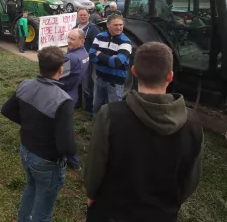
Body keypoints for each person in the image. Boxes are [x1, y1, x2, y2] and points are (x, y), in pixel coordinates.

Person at [84, 42, 203, 222]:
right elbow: (191, 179)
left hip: (112, 212)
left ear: (134, 72)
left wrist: (92, 193)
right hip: (161, 214)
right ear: (170, 76)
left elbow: (95, 166)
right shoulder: (192, 122)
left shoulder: (110, 114)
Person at [1, 46, 77, 221]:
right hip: (47, 162)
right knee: (44, 208)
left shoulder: (25, 85)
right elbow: (67, 146)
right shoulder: (63, 100)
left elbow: (6, 110)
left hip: (26, 151)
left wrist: (30, 124)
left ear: (40, 66)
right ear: (61, 69)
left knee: (31, 188)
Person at [89, 14, 131, 117]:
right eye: (115, 25)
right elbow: (91, 55)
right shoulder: (99, 37)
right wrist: (110, 58)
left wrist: (99, 54)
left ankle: (112, 130)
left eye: (121, 24)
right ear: (108, 25)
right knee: (97, 106)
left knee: (114, 109)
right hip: (100, 78)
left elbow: (116, 63)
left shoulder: (126, 42)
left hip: (115, 82)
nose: (119, 27)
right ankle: (98, 126)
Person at [59, 28, 89, 171]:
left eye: (72, 39)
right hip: (74, 93)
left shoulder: (70, 58)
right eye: (68, 37)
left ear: (82, 41)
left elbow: (58, 75)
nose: (68, 41)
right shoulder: (84, 53)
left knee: (64, 130)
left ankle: (72, 160)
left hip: (64, 94)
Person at [74, 7, 100, 115]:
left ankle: (89, 109)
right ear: (77, 16)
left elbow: (97, 45)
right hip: (76, 60)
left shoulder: (93, 29)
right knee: (77, 82)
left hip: (87, 61)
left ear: (88, 16)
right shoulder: (75, 28)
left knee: (88, 84)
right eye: (81, 15)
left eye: (84, 15)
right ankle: (78, 102)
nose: (83, 17)